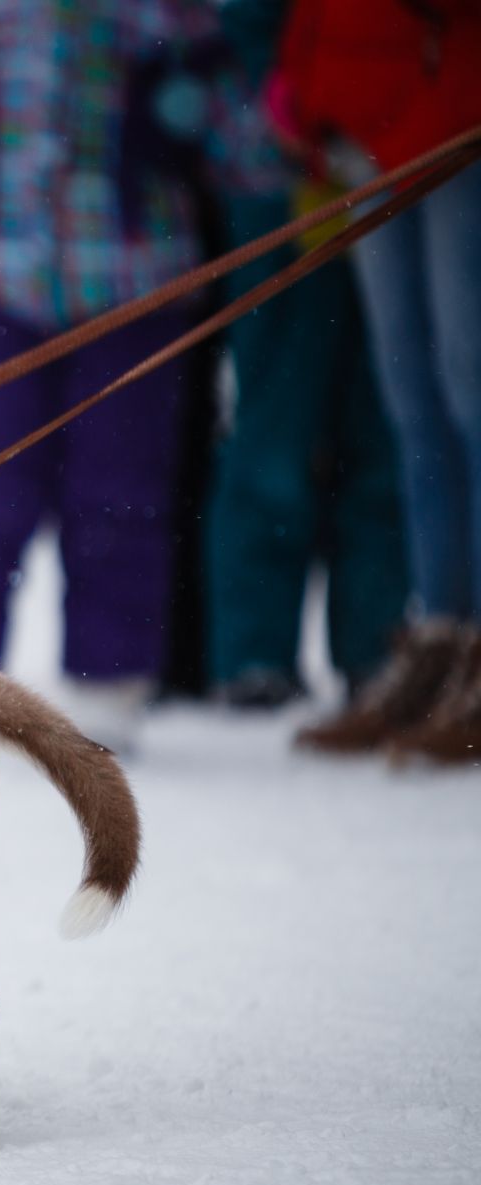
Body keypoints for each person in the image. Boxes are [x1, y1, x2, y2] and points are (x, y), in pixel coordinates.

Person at [0, 0, 279, 752]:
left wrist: (195, 109)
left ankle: (108, 683)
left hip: (134, 293)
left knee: (120, 495)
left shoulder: (168, 19)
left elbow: (250, 155)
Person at [277, 0, 481, 762]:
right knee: (413, 401)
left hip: (455, 108)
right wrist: (304, 80)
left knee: (471, 390)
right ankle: (441, 636)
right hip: (363, 118)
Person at [202, 0, 410, 711]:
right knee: (273, 430)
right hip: (281, 173)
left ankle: (377, 648)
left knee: (383, 428)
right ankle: (254, 654)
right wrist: (285, 99)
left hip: (396, 158)